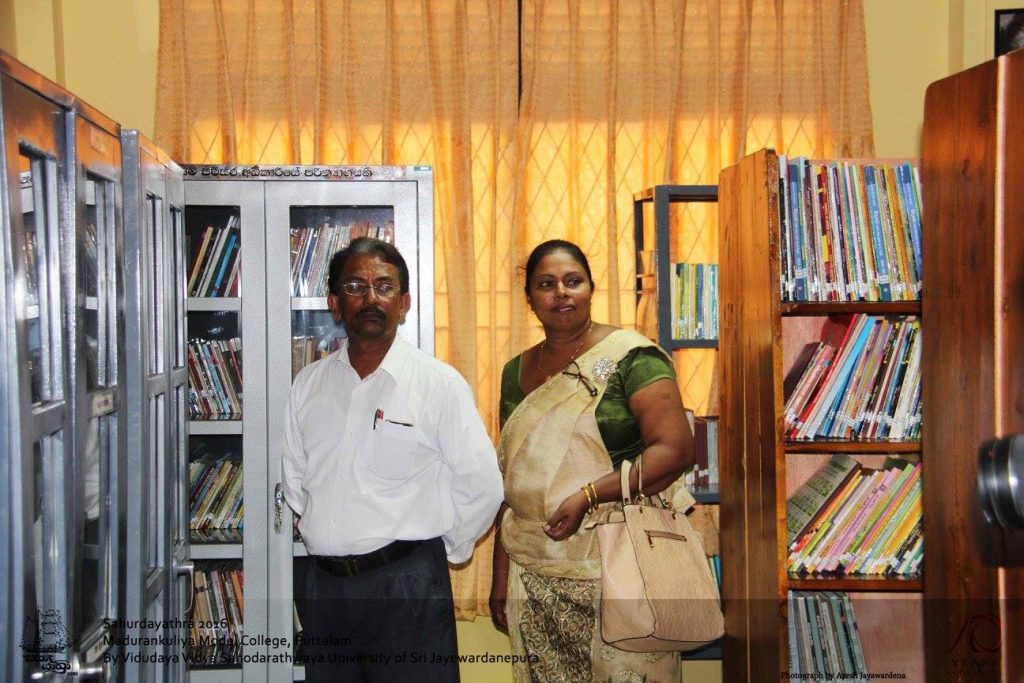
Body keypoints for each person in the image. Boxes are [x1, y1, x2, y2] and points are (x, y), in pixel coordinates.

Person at [281, 236, 504, 682]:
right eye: (355, 287)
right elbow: (296, 481)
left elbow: (482, 486)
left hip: (407, 589)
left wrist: (435, 552)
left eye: (384, 287)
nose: (370, 298)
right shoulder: (308, 384)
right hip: (326, 592)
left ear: (404, 303)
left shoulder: (438, 385)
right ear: (334, 303)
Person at [489, 239, 696, 682]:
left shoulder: (631, 357)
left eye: (573, 281)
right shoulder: (514, 371)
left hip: (619, 564)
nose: (561, 292)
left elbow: (675, 450)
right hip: (532, 572)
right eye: (546, 284)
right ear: (529, 298)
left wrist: (588, 495)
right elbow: (512, 480)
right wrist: (499, 575)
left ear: (590, 288)